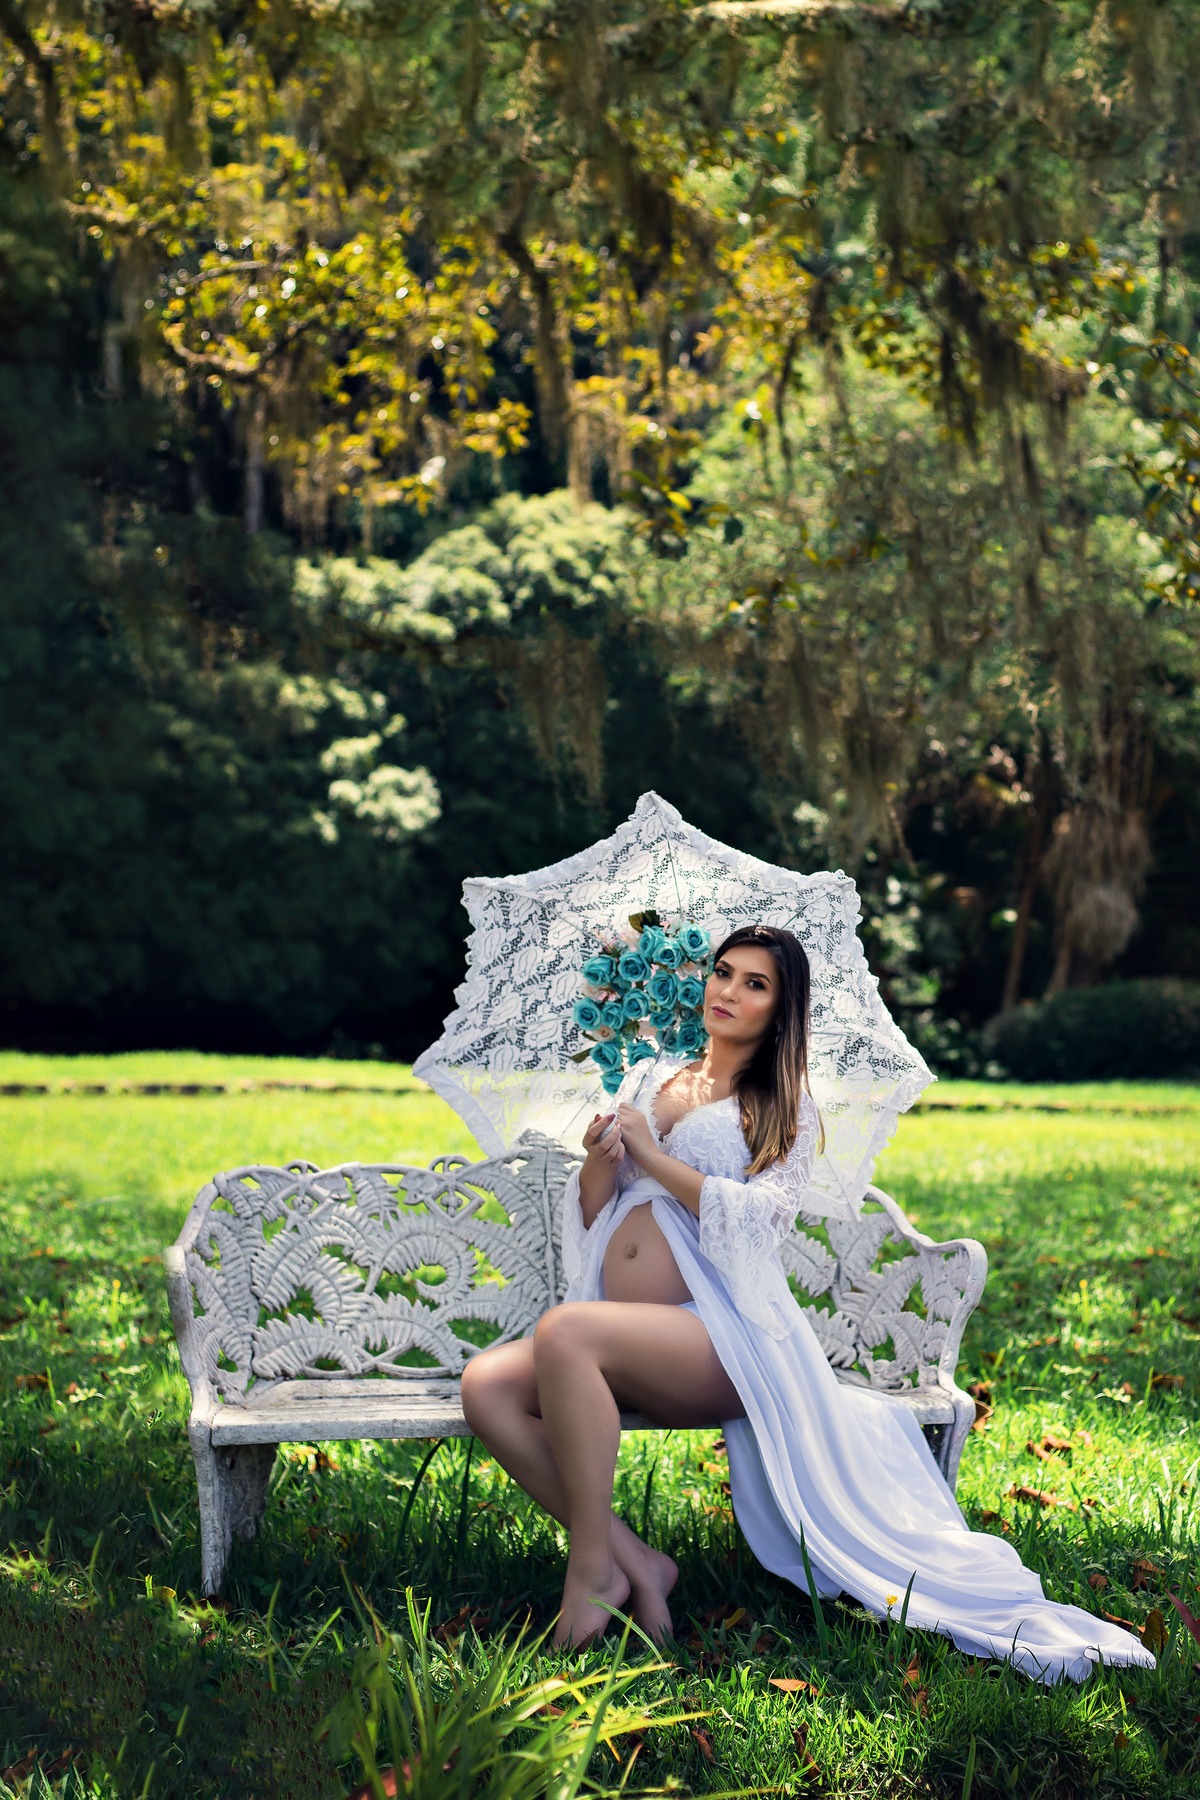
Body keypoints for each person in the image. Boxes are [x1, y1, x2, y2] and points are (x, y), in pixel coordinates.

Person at [460, 925, 1153, 1682]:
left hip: (723, 1338)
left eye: (754, 983)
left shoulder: (785, 1106)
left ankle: (590, 1571)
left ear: (782, 1008)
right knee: (486, 1386)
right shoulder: (652, 1076)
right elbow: (597, 1211)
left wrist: (656, 1157)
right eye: (723, 973)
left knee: (566, 1333)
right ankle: (634, 1561)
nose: (727, 991)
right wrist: (604, 1161)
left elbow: (760, 1224)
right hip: (621, 1336)